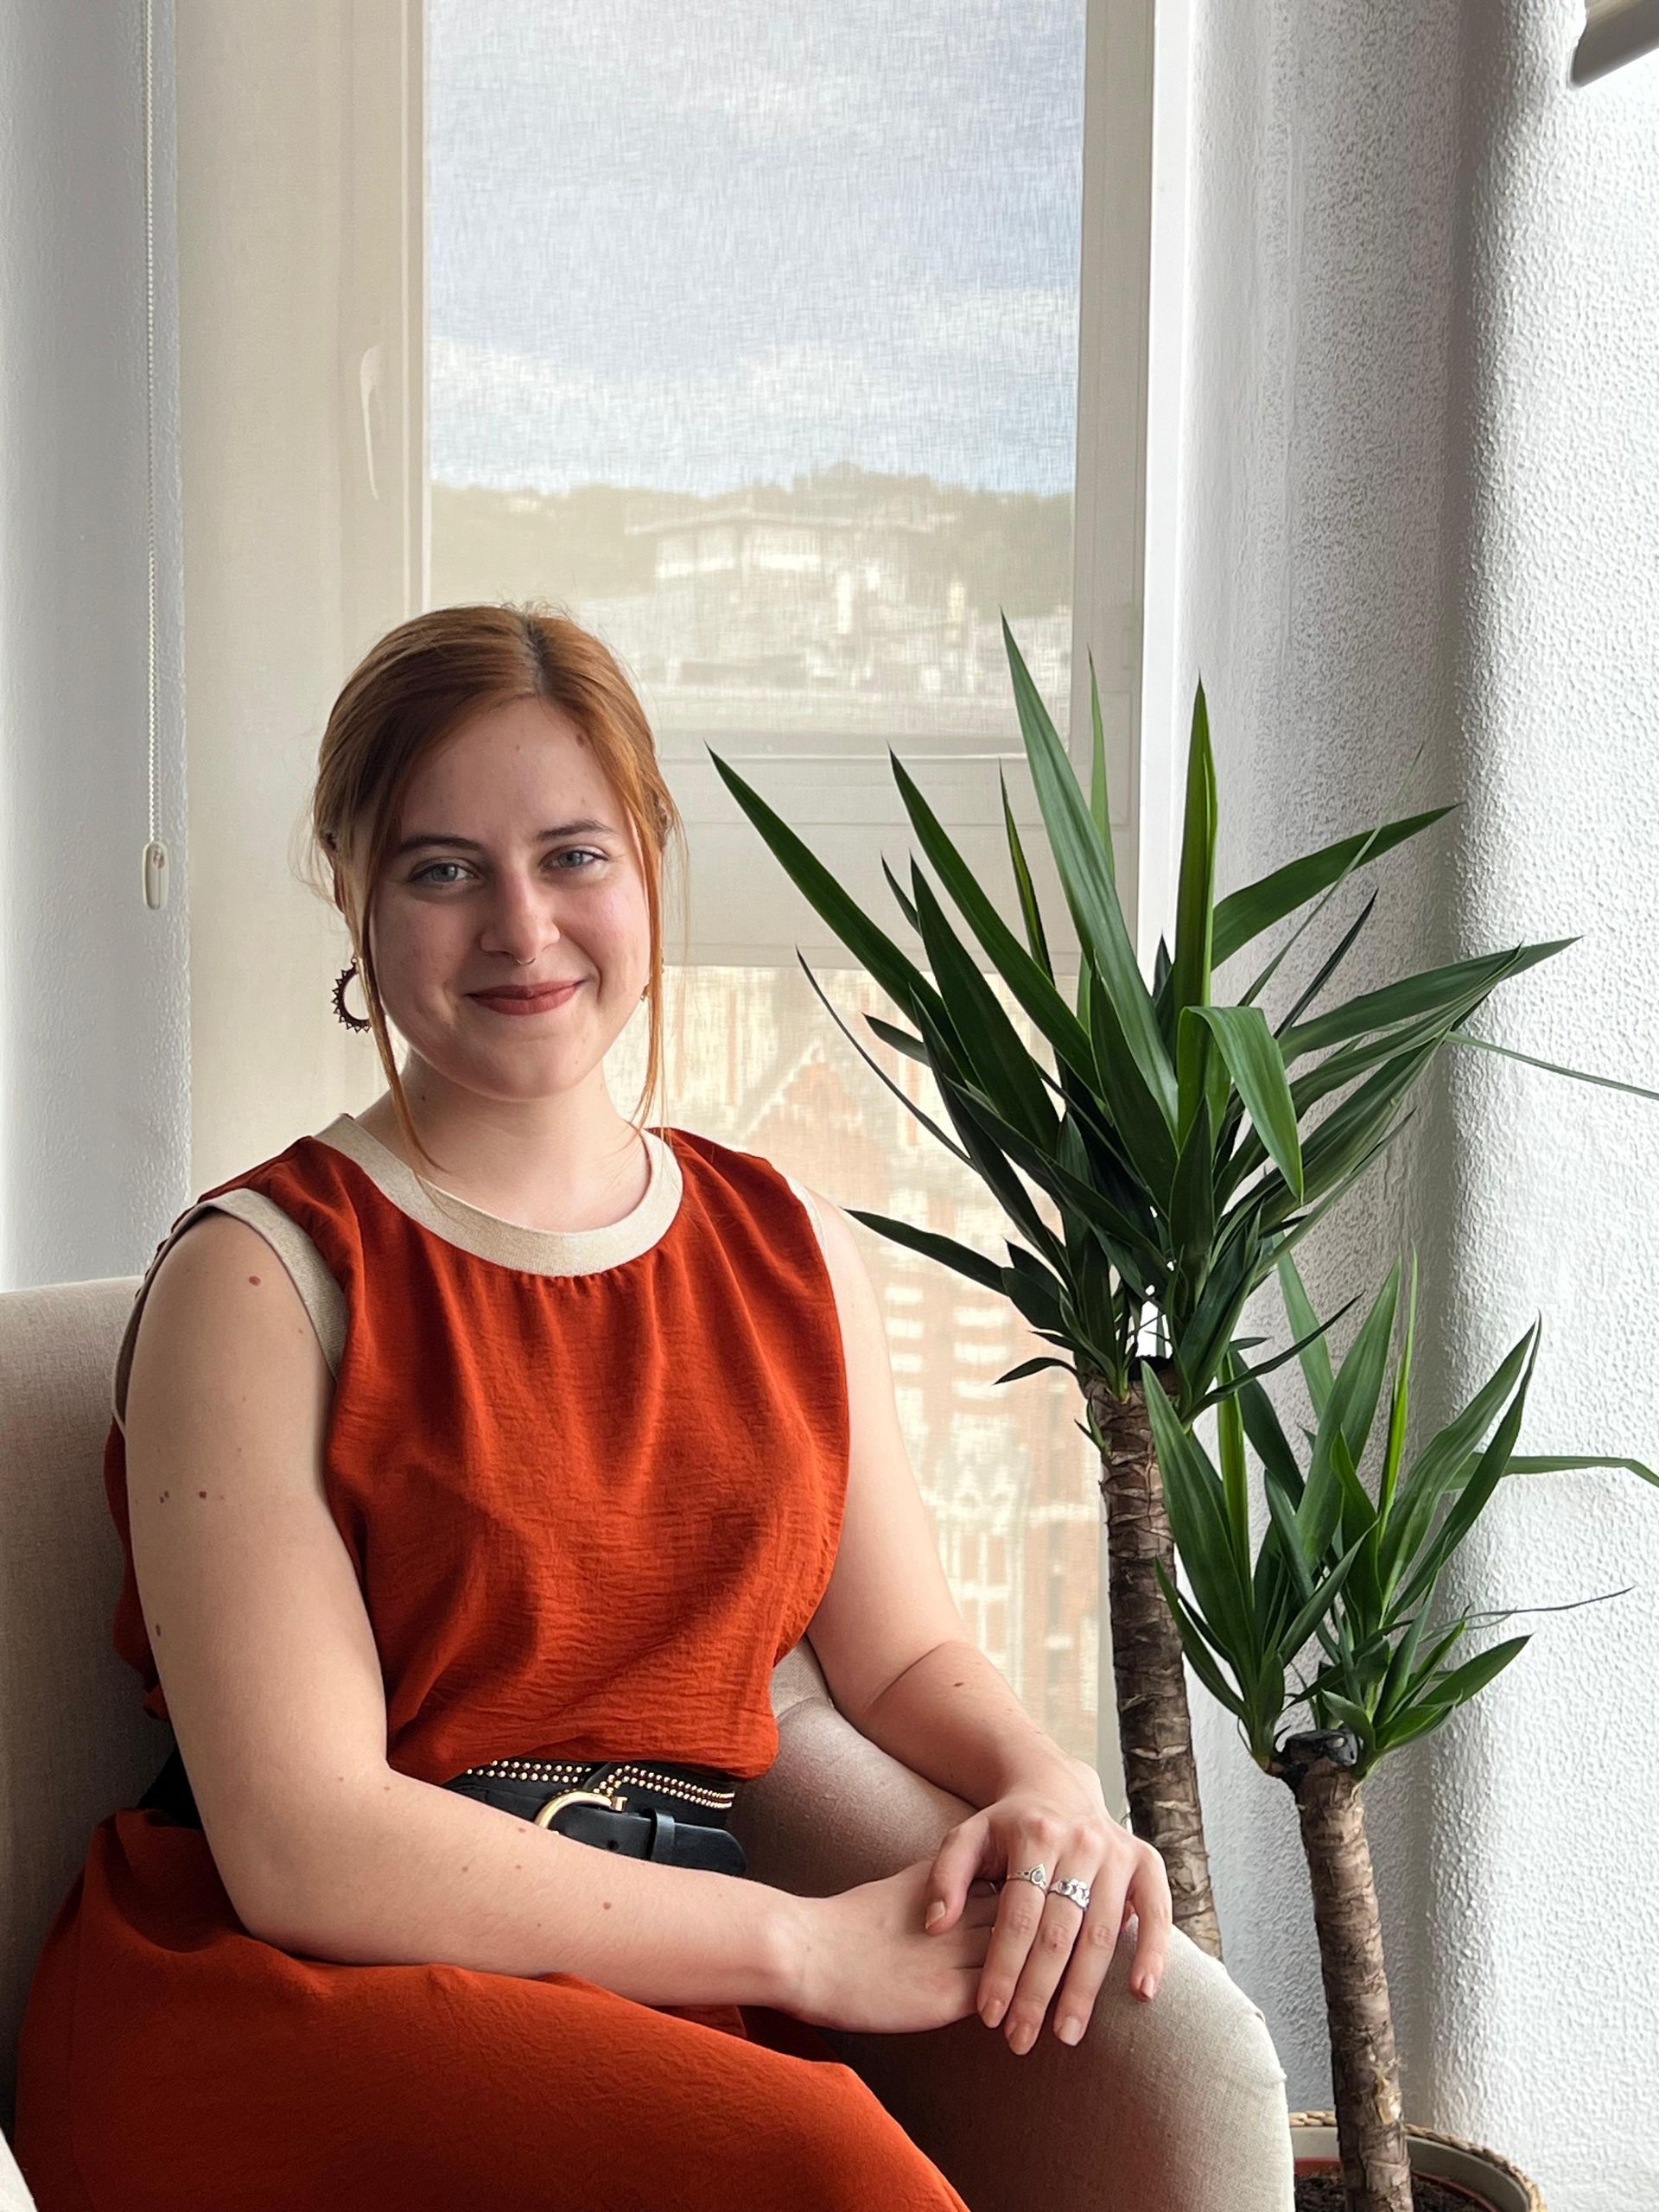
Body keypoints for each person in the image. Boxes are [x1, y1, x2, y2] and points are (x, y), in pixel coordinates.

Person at [12, 604, 1169, 2210]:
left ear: (649, 862)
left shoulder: (787, 1246)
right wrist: (805, 1946)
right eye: (441, 870)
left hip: (645, 1982)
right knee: (833, 2171)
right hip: (295, 1994)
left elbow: (900, 1657)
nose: (521, 926)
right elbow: (304, 1845)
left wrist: (1050, 1783)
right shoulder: (260, 1276)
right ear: (351, 889)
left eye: (573, 856)